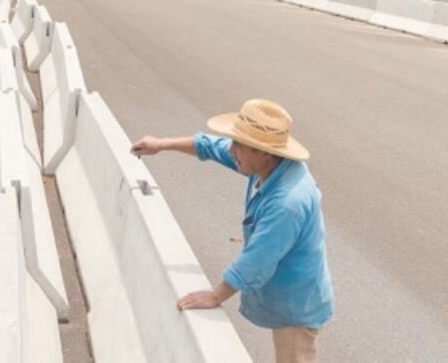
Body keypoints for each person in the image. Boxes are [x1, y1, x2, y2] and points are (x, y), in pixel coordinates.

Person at [132, 98, 333, 363]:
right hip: (281, 290)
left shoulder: (287, 202)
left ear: (264, 152)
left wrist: (216, 295)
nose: (232, 149)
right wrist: (162, 144)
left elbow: (257, 259)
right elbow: (211, 146)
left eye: (240, 145)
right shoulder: (266, 165)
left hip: (296, 305)